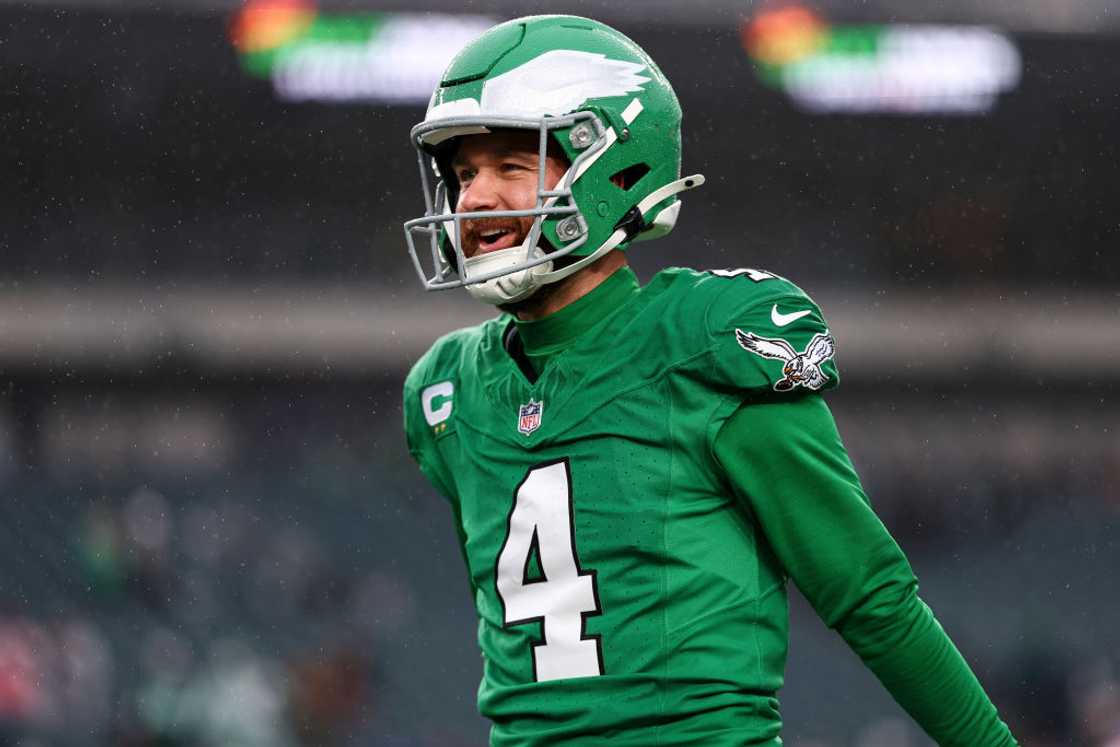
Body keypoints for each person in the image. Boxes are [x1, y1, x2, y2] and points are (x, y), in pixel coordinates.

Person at [401, 14, 1017, 746]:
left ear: (615, 166)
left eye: (510, 165)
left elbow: (869, 596)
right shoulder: (446, 392)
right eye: (464, 172)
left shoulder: (706, 343)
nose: (474, 198)